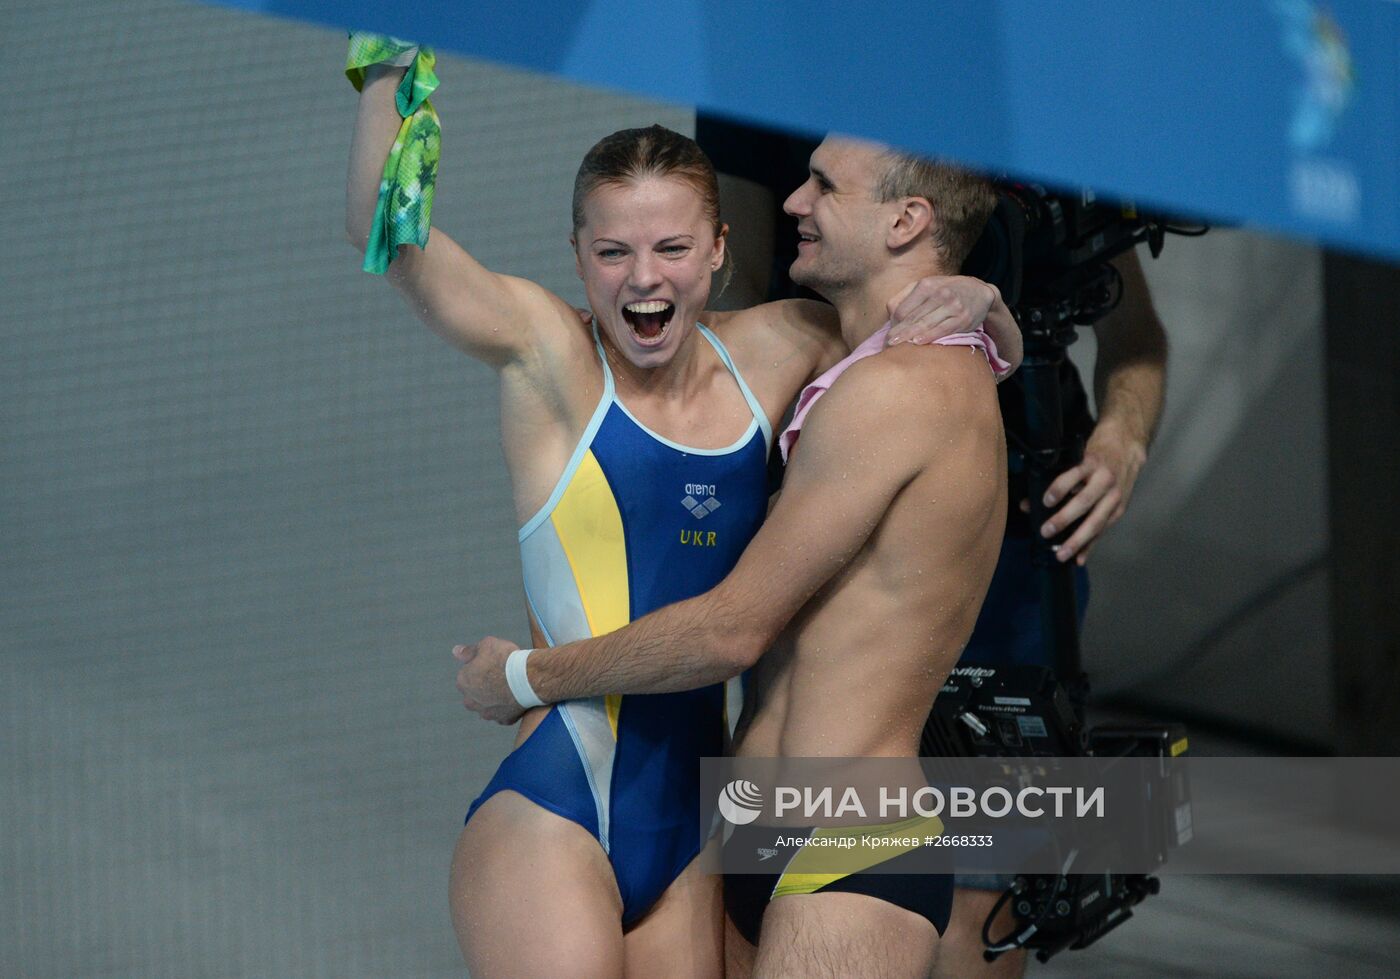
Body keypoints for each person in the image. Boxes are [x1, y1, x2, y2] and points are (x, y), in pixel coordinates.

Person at [345, 42, 1022, 978]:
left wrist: (986, 299)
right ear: (576, 255)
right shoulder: (551, 353)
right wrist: (384, 68)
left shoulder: (792, 350)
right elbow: (397, 245)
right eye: (612, 251)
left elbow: (737, 626)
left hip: (752, 831)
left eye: (669, 248)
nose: (641, 279)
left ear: (717, 251)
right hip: (596, 806)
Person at [694, 115, 1169, 979]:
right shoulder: (762, 99)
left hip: (1015, 551)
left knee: (978, 906)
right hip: (827, 508)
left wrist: (1120, 441)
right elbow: (736, 312)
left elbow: (1137, 337)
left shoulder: (1036, 125)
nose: (807, 198)